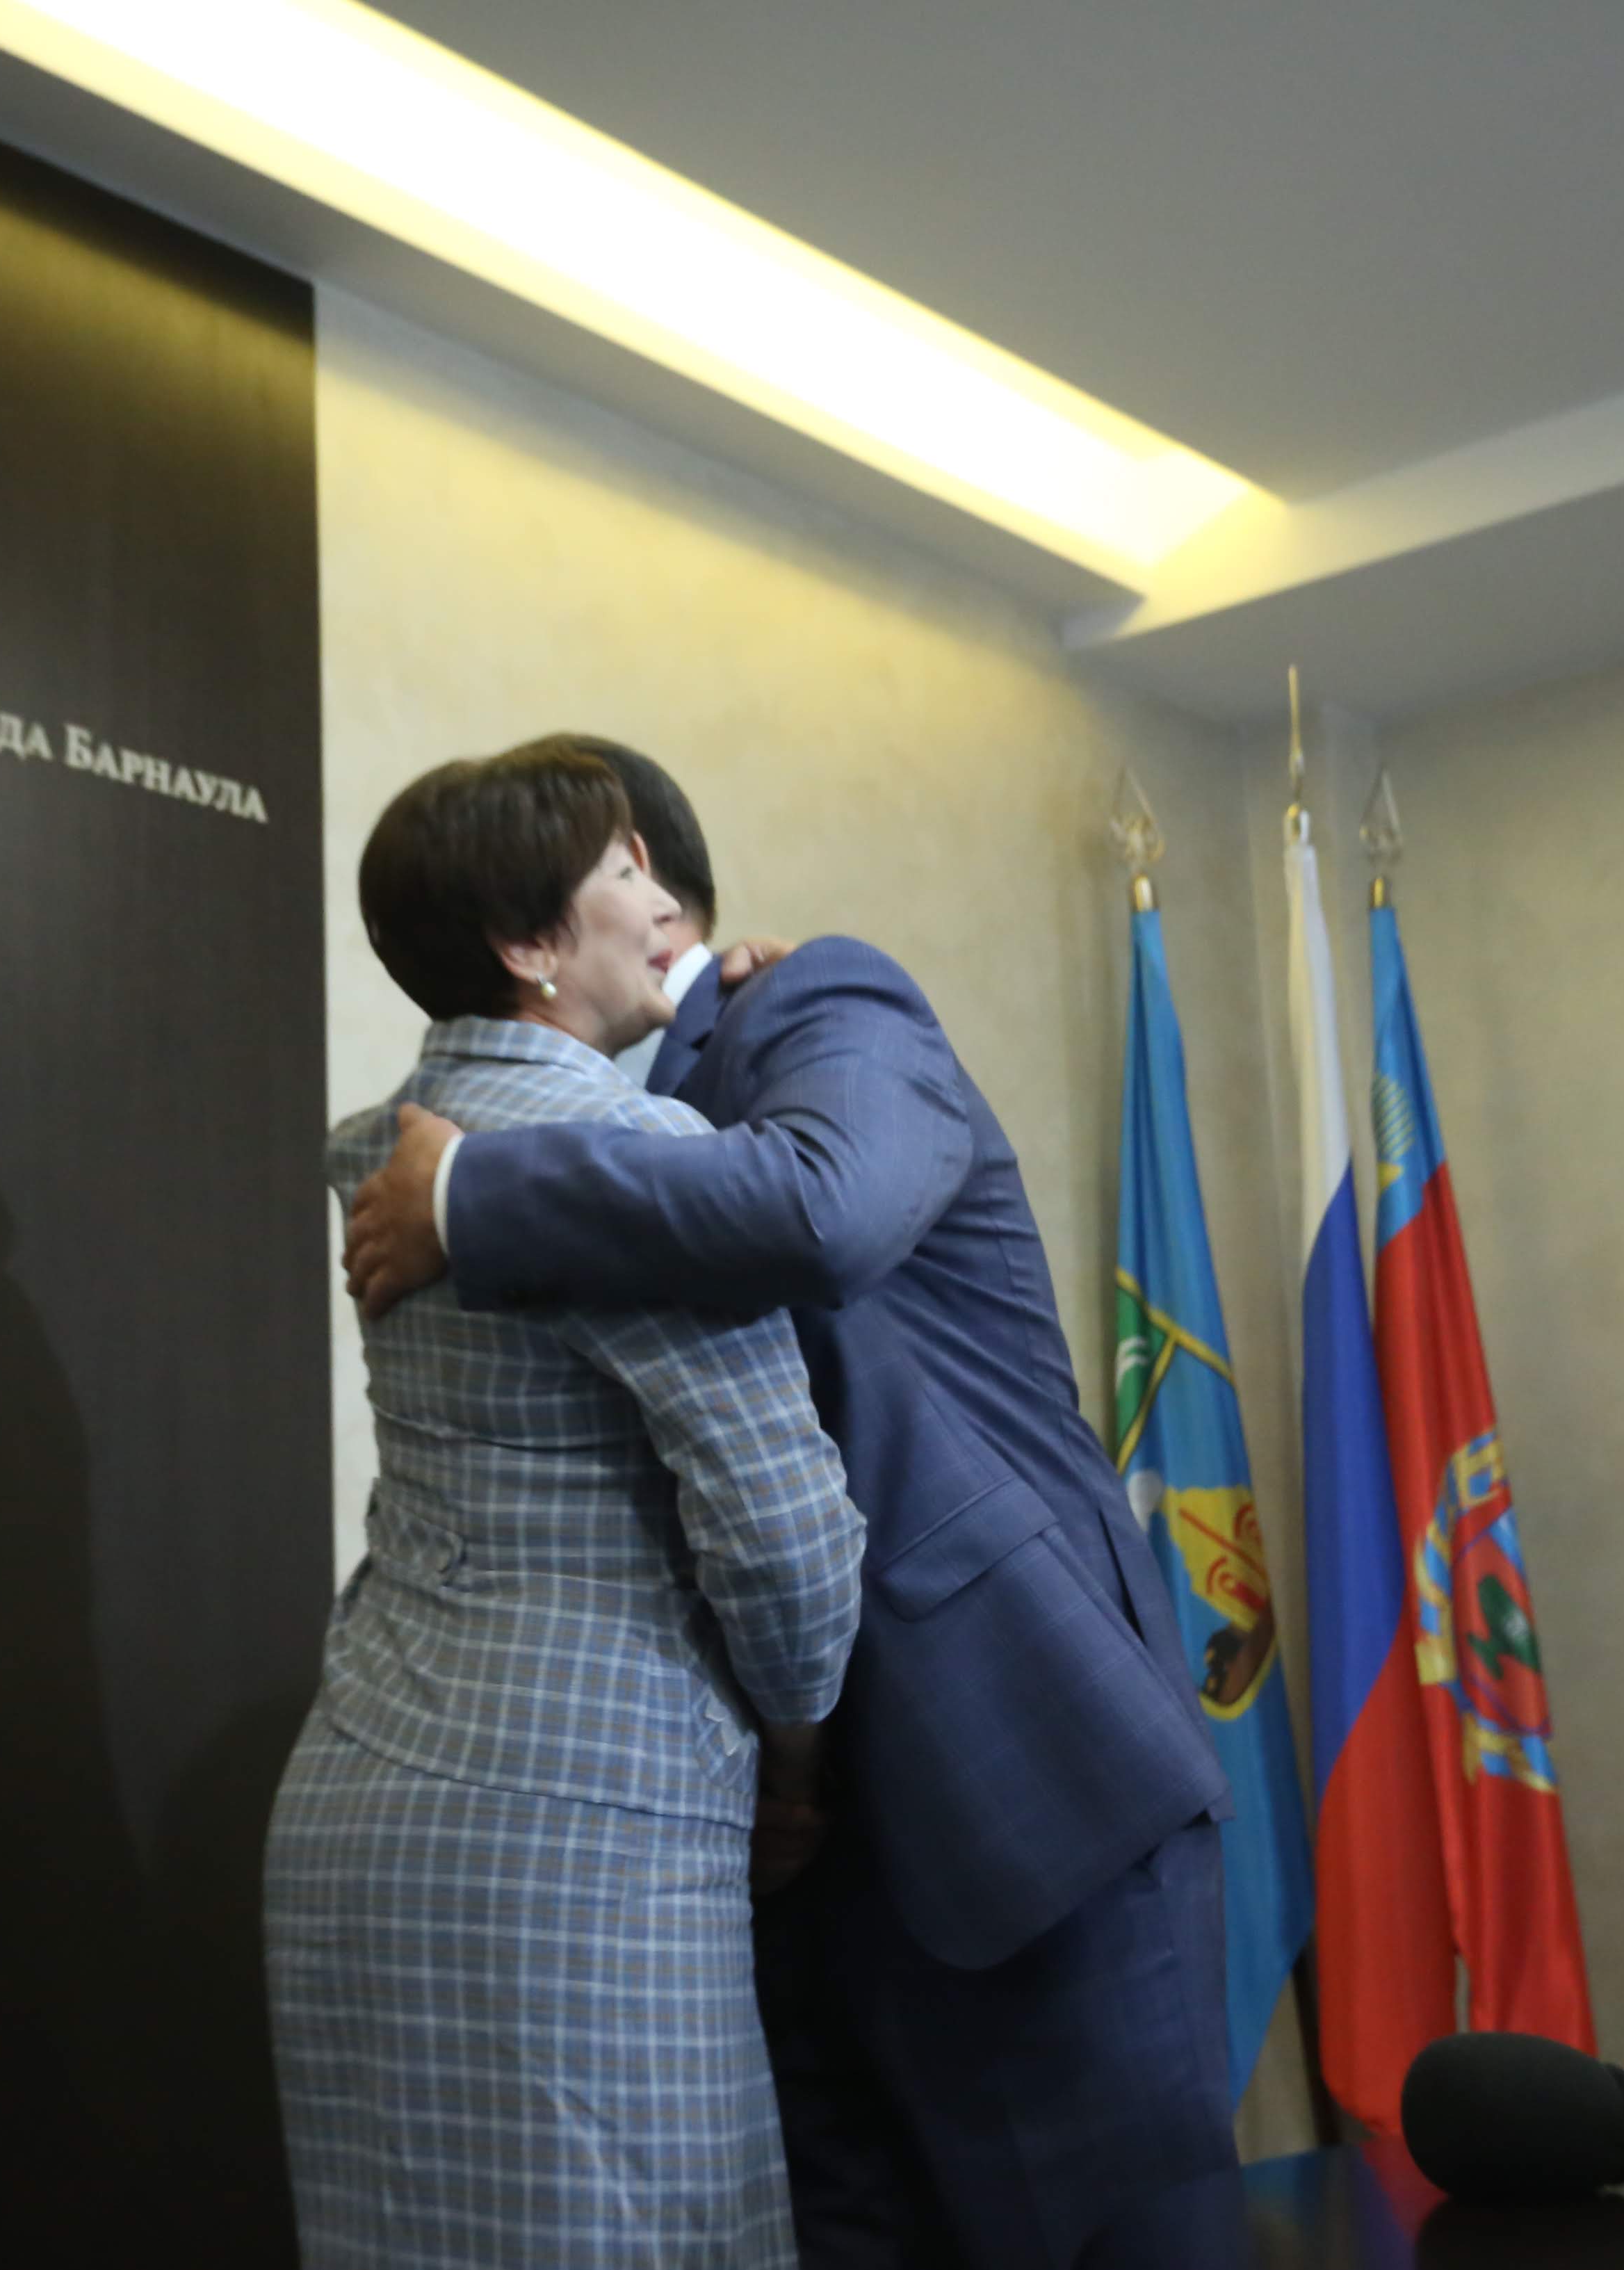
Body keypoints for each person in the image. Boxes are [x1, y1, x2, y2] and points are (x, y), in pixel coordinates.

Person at [341, 737, 1237, 2270]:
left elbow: (825, 1208)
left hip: (1014, 1778)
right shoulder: (550, 1107)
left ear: (655, 893)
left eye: (622, 860)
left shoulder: (819, 1003)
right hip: (743, 1846)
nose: (627, 890)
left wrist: (463, 1195)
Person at [267, 740, 866, 2269]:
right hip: (588, 1833)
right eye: (621, 873)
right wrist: (797, 1764)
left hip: (354, 1800)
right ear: (529, 945)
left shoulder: (377, 1146)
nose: (666, 902)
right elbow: (786, 1541)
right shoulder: (636, 1153)